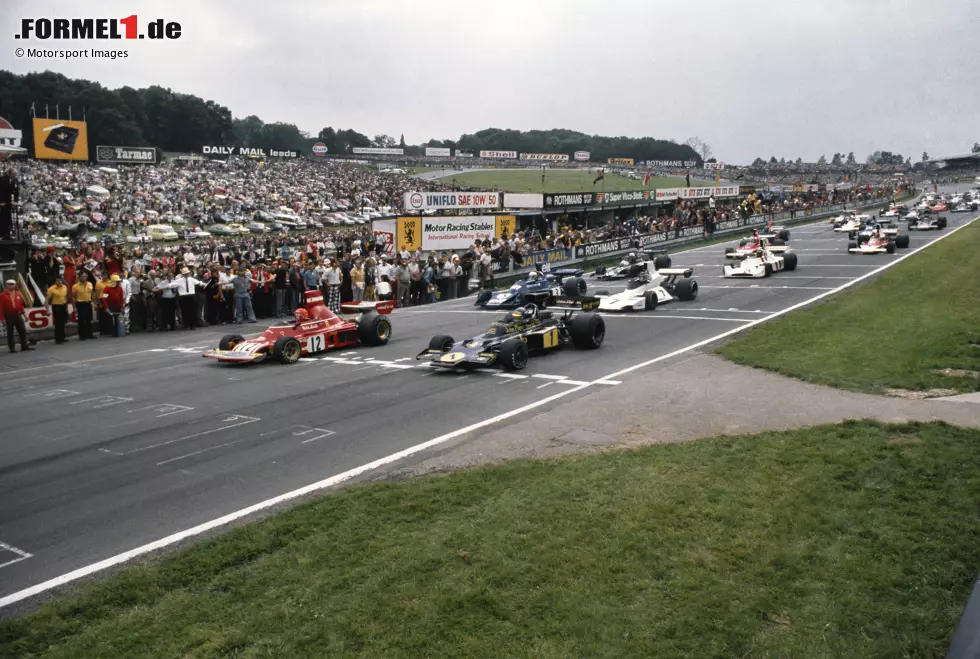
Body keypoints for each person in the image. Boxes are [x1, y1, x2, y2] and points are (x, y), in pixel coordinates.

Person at [0, 280, 32, 353]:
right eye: (8, 284)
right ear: (6, 285)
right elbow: (1, 307)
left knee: (22, 330)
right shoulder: (2, 295)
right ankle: (12, 348)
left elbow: (21, 305)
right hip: (8, 314)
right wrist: (2, 318)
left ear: (15, 285)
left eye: (12, 284)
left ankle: (24, 346)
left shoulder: (18, 294)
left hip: (17, 314)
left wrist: (24, 314)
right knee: (10, 332)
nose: (10, 286)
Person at [45, 275, 70, 344]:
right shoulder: (51, 289)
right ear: (55, 281)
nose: (60, 282)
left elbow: (66, 297)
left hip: (63, 305)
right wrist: (47, 310)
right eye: (58, 280)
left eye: (61, 280)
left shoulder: (64, 287)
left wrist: (67, 307)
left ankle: (63, 337)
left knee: (63, 322)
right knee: (58, 323)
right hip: (56, 306)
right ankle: (58, 339)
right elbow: (47, 300)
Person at [72, 270, 96, 340]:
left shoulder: (90, 284)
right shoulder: (75, 286)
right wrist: (74, 307)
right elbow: (73, 297)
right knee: (81, 320)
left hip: (88, 303)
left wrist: (95, 303)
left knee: (88, 319)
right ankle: (82, 335)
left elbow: (92, 293)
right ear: (79, 277)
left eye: (85, 276)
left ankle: (89, 334)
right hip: (80, 303)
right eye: (82, 276)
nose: (84, 278)